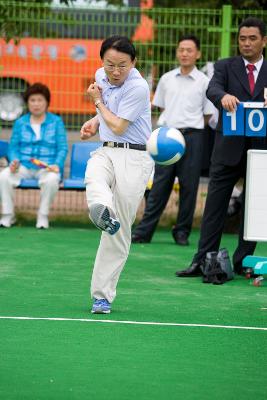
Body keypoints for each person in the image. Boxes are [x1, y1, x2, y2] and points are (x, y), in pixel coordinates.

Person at [176, 17, 267, 277]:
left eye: (252, 38)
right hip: (227, 148)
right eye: (242, 38)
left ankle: (244, 261)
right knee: (214, 207)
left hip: (261, 153)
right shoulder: (226, 66)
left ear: (264, 40)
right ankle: (201, 260)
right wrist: (223, 96)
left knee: (254, 207)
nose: (246, 43)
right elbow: (212, 88)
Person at [80, 36, 154, 314]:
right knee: (93, 173)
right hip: (107, 149)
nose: (115, 71)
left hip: (135, 157)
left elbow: (120, 125)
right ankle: (102, 210)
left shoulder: (138, 87)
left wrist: (97, 104)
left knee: (118, 233)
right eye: (110, 64)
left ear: (133, 63)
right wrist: (94, 121)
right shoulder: (101, 74)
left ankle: (102, 297)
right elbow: (108, 118)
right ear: (102, 62)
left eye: (122, 65)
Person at [132, 35, 215, 246]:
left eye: (189, 50)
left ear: (198, 54)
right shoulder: (167, 79)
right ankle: (143, 232)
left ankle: (182, 233)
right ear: (177, 52)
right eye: (181, 50)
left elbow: (207, 115)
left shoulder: (204, 82)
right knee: (159, 185)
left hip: (193, 137)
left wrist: (189, 129)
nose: (185, 53)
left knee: (189, 187)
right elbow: (160, 107)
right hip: (166, 137)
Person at [0, 83, 68, 229]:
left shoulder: (56, 122)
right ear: (27, 103)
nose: (36, 104)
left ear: (46, 102)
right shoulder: (20, 122)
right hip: (23, 165)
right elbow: (13, 146)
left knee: (51, 179)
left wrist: (57, 164)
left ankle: (42, 216)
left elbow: (62, 148)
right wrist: (15, 161)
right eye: (32, 100)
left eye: (40, 100)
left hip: (47, 166)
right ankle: (7, 216)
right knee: (4, 176)